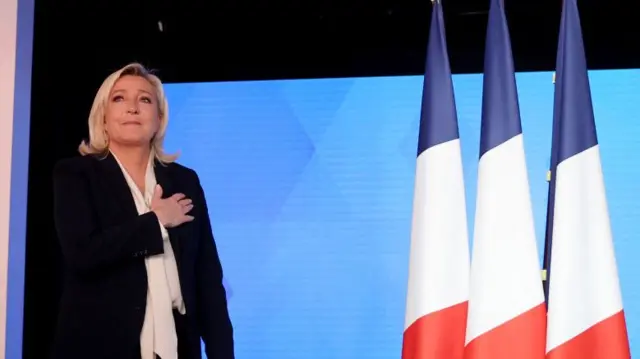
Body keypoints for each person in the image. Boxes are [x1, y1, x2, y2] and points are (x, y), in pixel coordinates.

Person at [51, 63, 234, 359]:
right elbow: (83, 254)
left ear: (159, 119)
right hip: (100, 345)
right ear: (104, 118)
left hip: (178, 344)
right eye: (119, 98)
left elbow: (207, 277)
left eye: (145, 100)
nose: (133, 108)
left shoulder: (184, 180)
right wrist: (156, 222)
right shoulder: (75, 174)